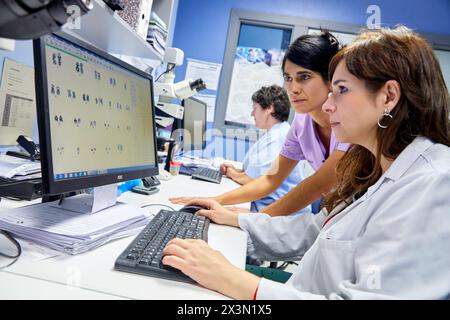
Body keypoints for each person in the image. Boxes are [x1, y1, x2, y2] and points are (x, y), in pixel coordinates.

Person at [162, 26, 450, 299]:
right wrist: (237, 218)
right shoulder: (375, 171)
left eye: (342, 90)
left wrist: (236, 281)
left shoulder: (434, 183)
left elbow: (314, 188)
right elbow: (314, 230)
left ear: (388, 96)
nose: (328, 104)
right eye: (288, 78)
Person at [171, 31, 350, 216]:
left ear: (331, 80)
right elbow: (271, 179)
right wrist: (215, 201)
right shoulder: (302, 122)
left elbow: (319, 185)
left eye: (304, 77)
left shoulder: (349, 123)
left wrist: (250, 218)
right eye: (288, 78)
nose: (293, 89)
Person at [220, 85, 309, 213]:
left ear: (269, 108)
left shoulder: (278, 137)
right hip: (266, 206)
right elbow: (255, 173)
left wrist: (230, 172)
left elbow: (253, 180)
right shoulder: (276, 132)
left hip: (280, 217)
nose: (252, 114)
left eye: (255, 108)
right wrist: (237, 172)